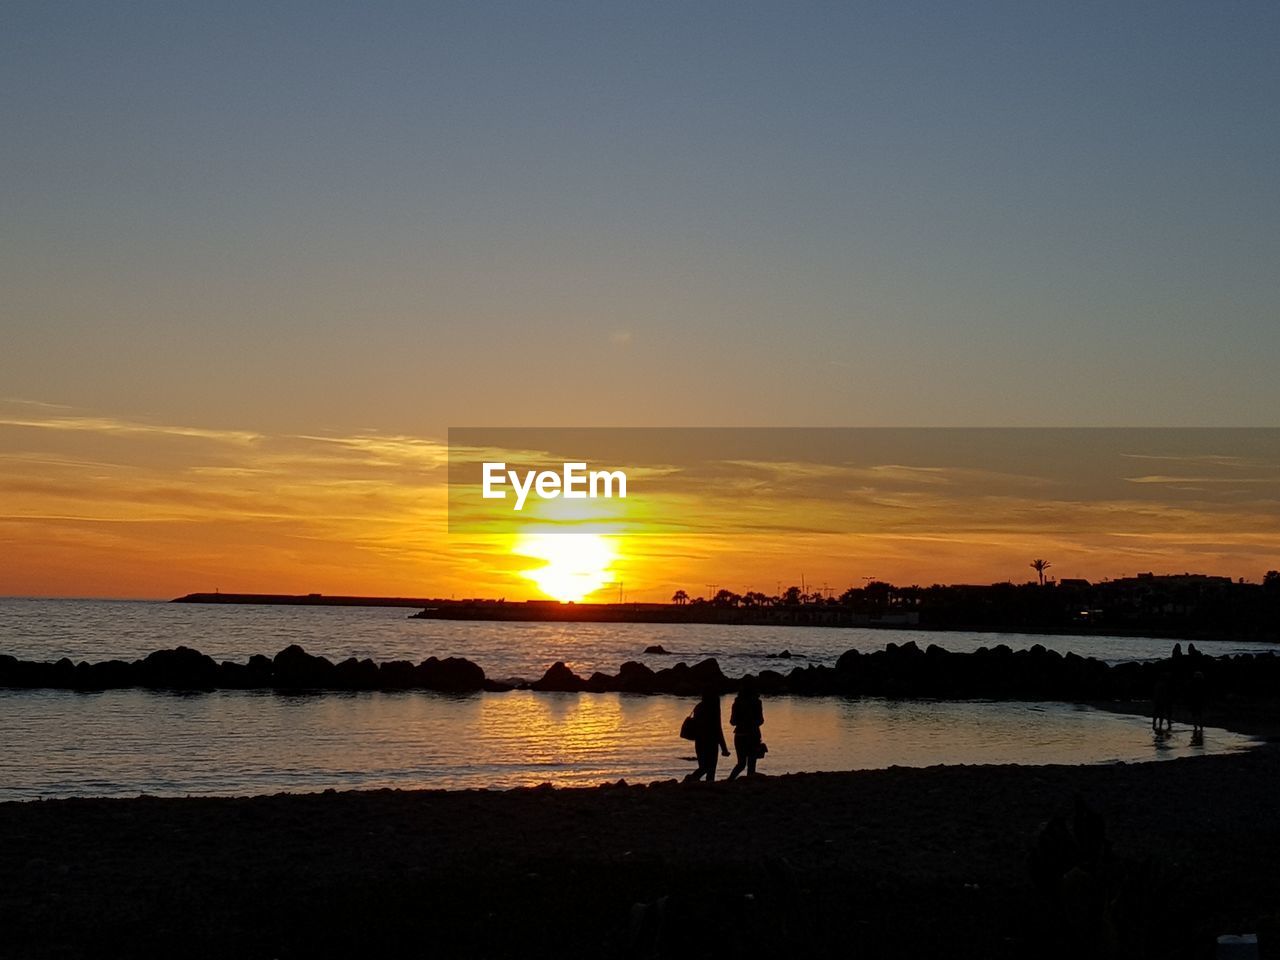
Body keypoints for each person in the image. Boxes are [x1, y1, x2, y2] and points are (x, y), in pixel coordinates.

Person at [683, 687, 729, 782]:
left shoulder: (699, 707)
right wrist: (723, 748)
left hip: (699, 741)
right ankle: (691, 780)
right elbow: (717, 728)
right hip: (711, 741)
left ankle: (693, 781)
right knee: (710, 768)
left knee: (704, 766)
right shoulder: (713, 708)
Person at [727, 675, 765, 780]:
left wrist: (742, 721)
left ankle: (730, 781)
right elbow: (761, 720)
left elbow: (732, 722)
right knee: (751, 764)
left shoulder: (737, 702)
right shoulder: (757, 702)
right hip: (753, 735)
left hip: (740, 735)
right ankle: (749, 783)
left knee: (741, 763)